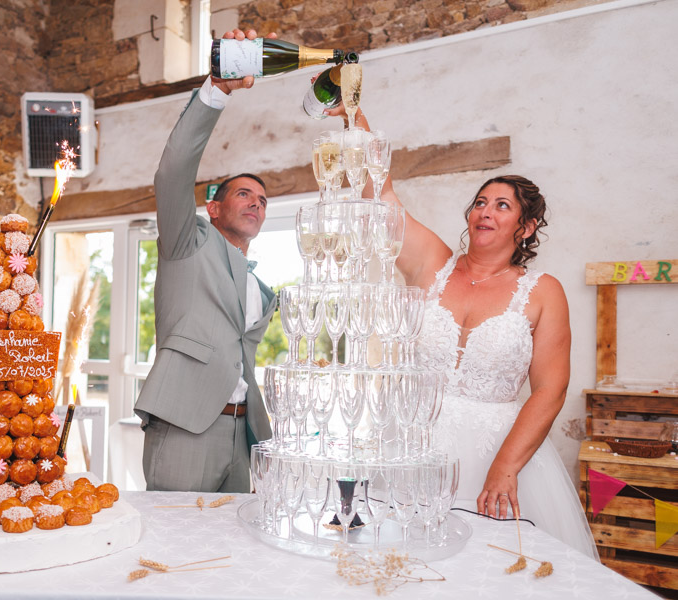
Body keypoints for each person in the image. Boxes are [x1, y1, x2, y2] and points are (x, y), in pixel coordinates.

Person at [341, 105, 596, 558]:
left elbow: (550, 390)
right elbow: (379, 196)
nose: (486, 212)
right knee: (399, 562)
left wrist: (505, 466)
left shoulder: (543, 291)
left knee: (488, 569)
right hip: (410, 448)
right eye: (480, 202)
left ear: (527, 227)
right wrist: (352, 115)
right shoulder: (432, 264)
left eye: (502, 206)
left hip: (496, 455)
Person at [133, 29, 278, 493]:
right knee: (173, 539)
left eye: (262, 200)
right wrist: (216, 90)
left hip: (244, 434)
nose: (256, 203)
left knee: (235, 542)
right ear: (213, 208)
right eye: (244, 194)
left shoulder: (262, 290)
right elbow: (173, 170)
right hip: (185, 427)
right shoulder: (187, 243)